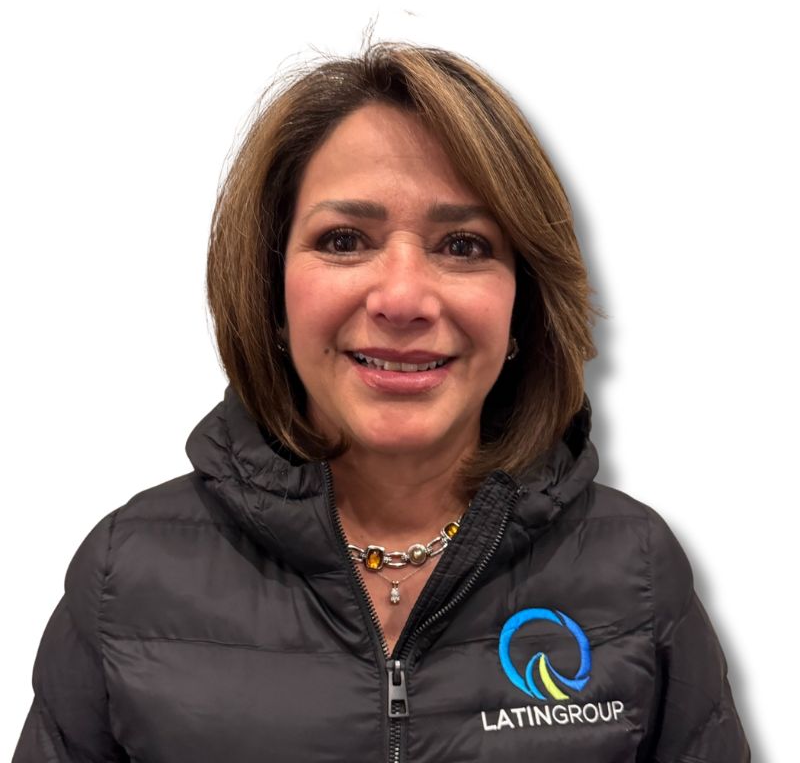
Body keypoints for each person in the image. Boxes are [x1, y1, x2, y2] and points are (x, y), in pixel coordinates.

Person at [14, 42, 750, 762]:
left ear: (522, 306)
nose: (401, 298)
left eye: (463, 245)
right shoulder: (127, 575)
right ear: (272, 294)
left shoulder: (636, 571)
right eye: (343, 240)